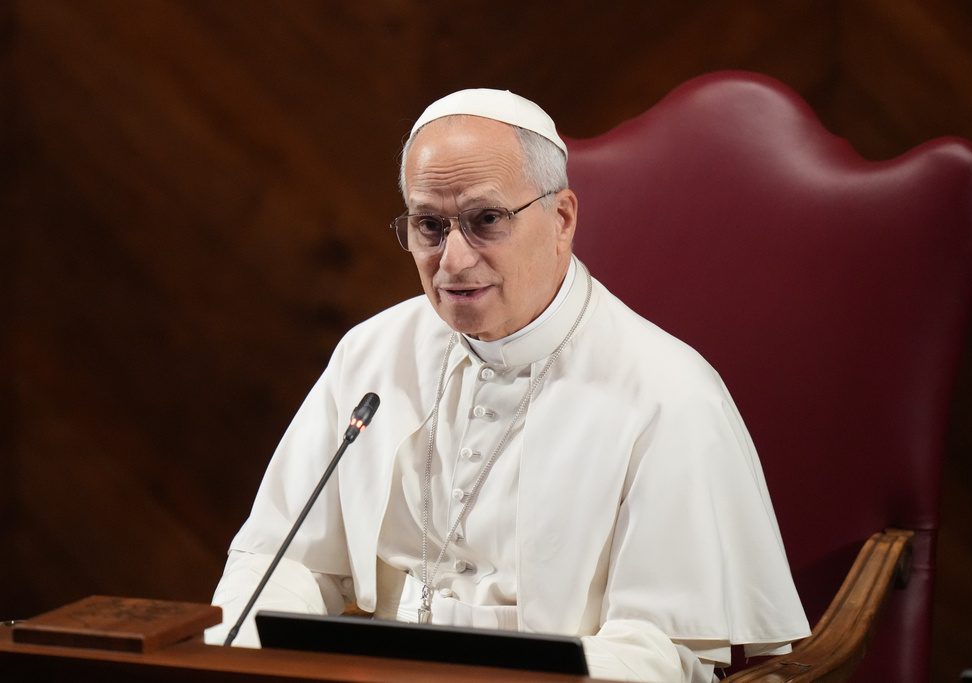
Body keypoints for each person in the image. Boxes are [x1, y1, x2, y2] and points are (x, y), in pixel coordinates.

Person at [205, 89, 810, 682]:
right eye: (429, 225)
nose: (453, 261)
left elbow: (657, 652)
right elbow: (285, 564)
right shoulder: (372, 353)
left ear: (561, 220)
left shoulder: (668, 394)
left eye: (485, 220)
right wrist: (226, 654)